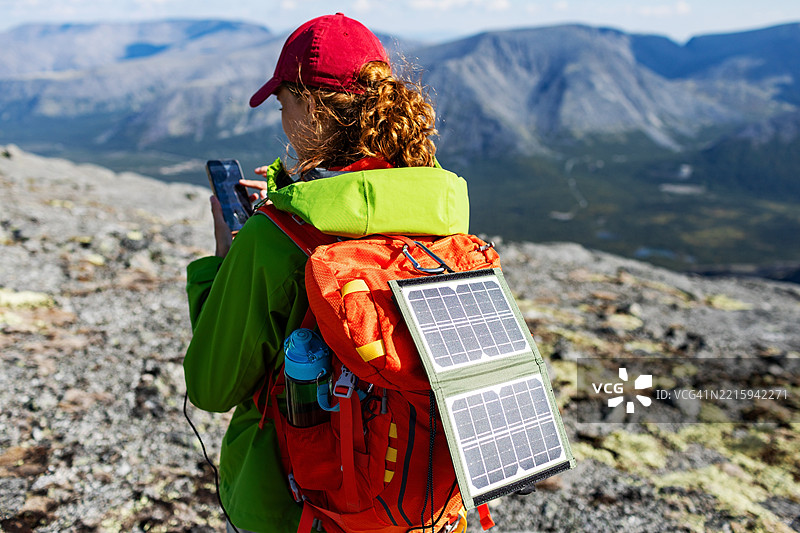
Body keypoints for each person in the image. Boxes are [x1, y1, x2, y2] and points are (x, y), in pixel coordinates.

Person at [183, 13, 470, 533]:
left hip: (295, 507)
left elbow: (211, 386)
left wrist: (224, 260)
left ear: (311, 107)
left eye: (283, 104)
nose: (282, 120)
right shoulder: (440, 215)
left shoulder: (274, 239)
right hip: (421, 500)